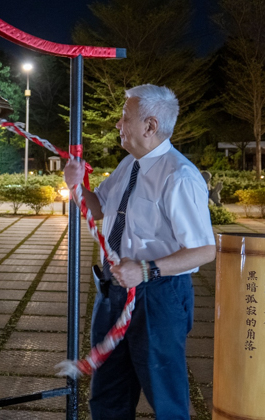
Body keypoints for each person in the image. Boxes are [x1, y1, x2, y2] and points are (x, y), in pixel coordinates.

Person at [64, 84, 215, 419]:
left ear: (150, 126)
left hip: (158, 295)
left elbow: (205, 249)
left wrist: (147, 270)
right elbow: (99, 208)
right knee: (107, 394)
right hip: (114, 291)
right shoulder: (129, 165)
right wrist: (75, 187)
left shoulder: (180, 176)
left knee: (165, 397)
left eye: (124, 117)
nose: (118, 124)